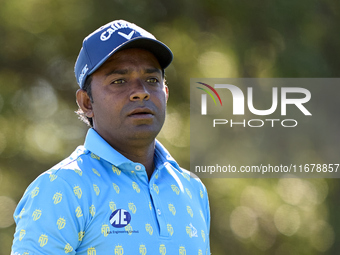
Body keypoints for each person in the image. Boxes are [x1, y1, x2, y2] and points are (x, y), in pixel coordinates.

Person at [11, 20, 210, 255]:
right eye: (119, 81)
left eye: (152, 80)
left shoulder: (192, 189)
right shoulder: (61, 188)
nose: (141, 92)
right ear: (86, 102)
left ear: (165, 94)